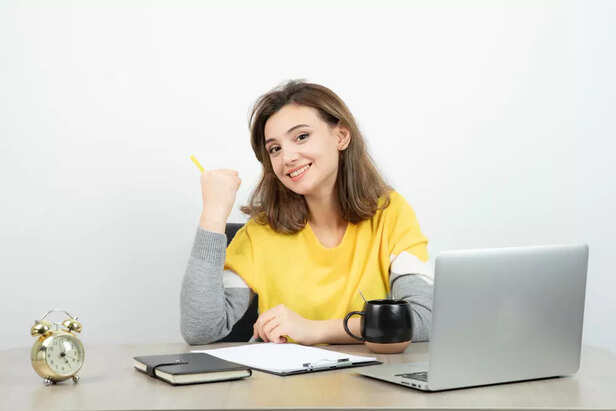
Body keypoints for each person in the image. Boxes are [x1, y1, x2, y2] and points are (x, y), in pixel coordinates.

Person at [180, 80, 433, 346]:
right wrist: (214, 213)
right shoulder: (260, 233)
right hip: (282, 386)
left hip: (368, 384)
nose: (287, 157)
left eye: (301, 137)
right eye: (274, 149)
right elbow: (201, 329)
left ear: (341, 137)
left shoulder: (390, 214)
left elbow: (423, 318)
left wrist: (318, 330)